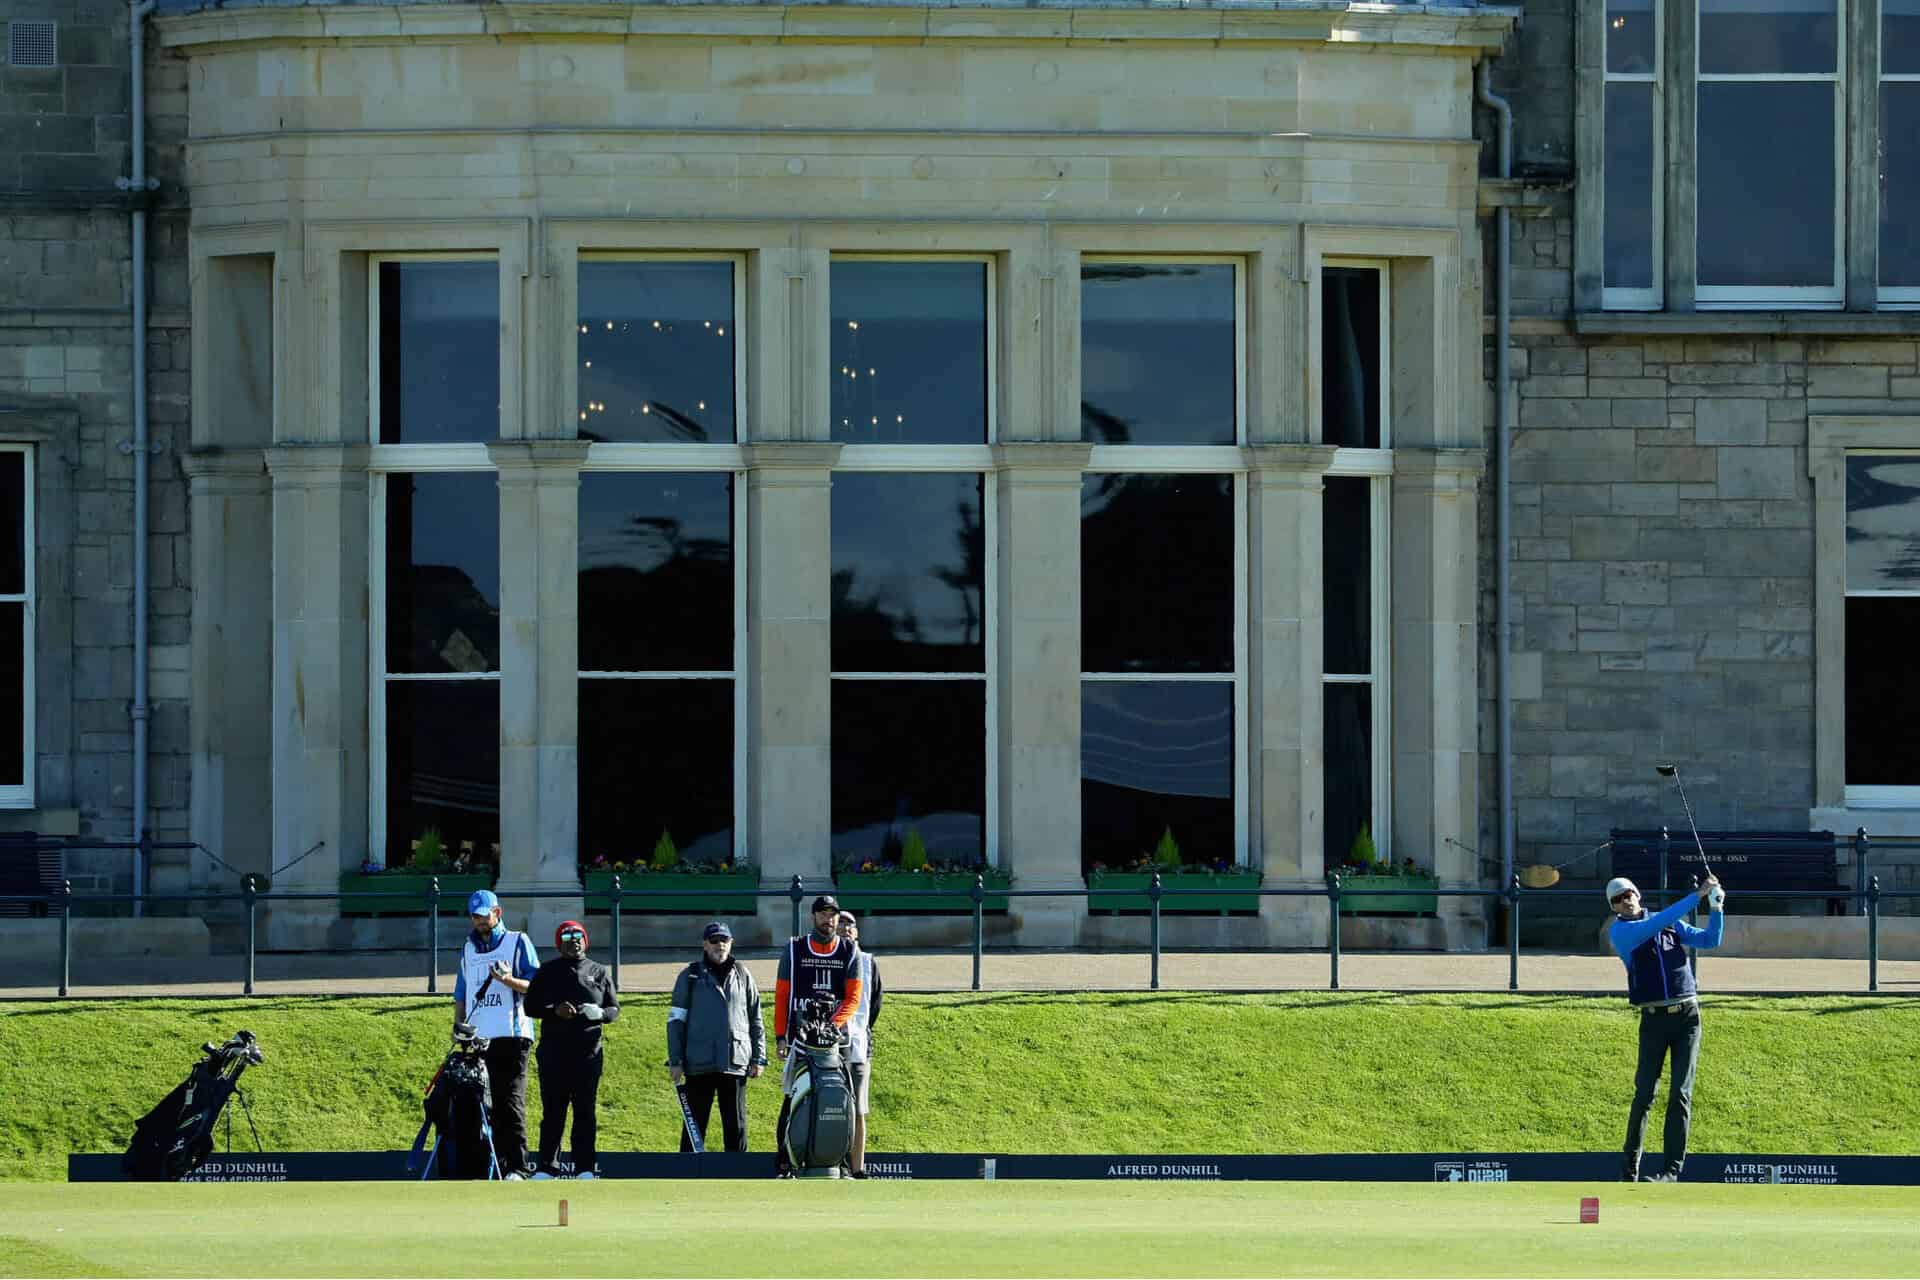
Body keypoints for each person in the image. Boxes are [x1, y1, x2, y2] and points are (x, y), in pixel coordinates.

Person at [1605, 872, 1724, 1183]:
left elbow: (1709, 940)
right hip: (1654, 1019)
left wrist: (1717, 908)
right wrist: (1697, 895)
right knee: (1644, 1095)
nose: (1625, 900)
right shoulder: (1622, 933)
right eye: (1617, 899)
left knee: (1680, 1095)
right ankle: (1628, 1170)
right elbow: (1656, 924)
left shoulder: (1666, 921)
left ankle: (1671, 1171)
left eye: (1628, 893)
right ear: (1614, 908)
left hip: (1687, 1017)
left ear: (1638, 894)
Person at [451, 889, 540, 1179]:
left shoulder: (518, 942)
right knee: (486, 1106)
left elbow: (537, 986)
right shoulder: (468, 948)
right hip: (479, 1038)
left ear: (497, 913)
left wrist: (508, 980)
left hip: (513, 1035)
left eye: (483, 915)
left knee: (510, 1101)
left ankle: (519, 1166)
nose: (479, 920)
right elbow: (461, 993)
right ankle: (498, 1166)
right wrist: (459, 1026)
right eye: (474, 916)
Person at [773, 894, 863, 1177]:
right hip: (801, 1039)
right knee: (793, 1098)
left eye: (833, 914)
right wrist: (780, 1035)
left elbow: (853, 998)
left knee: (842, 1100)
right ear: (813, 916)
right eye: (823, 914)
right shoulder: (794, 948)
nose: (829, 919)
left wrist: (832, 1026)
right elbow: (783, 995)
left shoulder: (850, 951)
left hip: (836, 1042)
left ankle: (843, 1164)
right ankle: (786, 1162)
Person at [524, 918, 620, 1180]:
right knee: (553, 1111)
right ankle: (547, 1166)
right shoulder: (547, 972)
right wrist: (554, 1011)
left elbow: (614, 1010)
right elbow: (530, 1007)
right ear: (559, 944)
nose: (574, 942)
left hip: (588, 1053)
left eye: (578, 936)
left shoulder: (598, 971)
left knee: (585, 1111)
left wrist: (599, 1013)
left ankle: (585, 1167)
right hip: (554, 1053)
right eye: (567, 938)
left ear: (585, 940)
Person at [666, 921, 766, 1154]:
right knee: (694, 1126)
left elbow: (756, 1018)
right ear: (704, 944)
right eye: (714, 940)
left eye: (724, 940)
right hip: (699, 1063)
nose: (719, 945)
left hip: (735, 1062)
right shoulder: (689, 975)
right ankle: (687, 1174)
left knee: (736, 1125)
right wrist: (676, 1060)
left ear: (731, 943)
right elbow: (675, 1021)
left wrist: (759, 1058)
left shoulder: (743, 973)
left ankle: (738, 1174)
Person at [836, 910, 883, 1179]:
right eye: (840, 923)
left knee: (858, 1108)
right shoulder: (830, 958)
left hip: (859, 1043)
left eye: (849, 923)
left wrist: (860, 1030)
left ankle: (857, 1167)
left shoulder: (867, 962)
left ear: (857, 931)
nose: (844, 927)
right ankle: (836, 1162)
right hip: (831, 1042)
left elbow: (874, 1003)